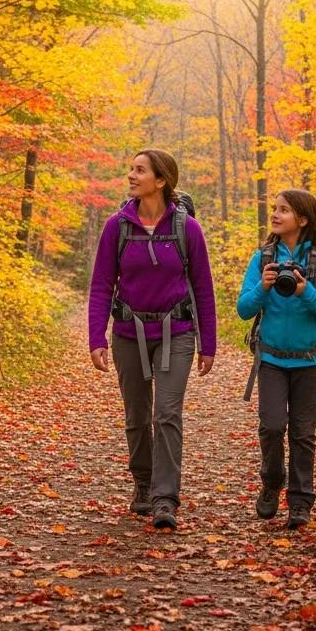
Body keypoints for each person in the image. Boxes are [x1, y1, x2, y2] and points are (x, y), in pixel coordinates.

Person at [88, 149, 216, 531]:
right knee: (137, 417)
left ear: (161, 180)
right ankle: (143, 482)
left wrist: (207, 343)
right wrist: (97, 337)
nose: (131, 175)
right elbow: (100, 285)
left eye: (139, 170)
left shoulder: (186, 228)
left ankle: (165, 498)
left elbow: (203, 288)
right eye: (131, 168)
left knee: (167, 414)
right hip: (129, 332)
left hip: (176, 331)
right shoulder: (117, 226)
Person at [236, 189, 316, 530]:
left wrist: (304, 290)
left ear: (303, 219)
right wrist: (263, 288)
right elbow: (243, 309)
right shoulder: (262, 258)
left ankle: (300, 502)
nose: (276, 214)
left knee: (302, 433)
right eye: (275, 209)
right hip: (270, 359)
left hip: (310, 361)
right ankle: (271, 481)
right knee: (270, 426)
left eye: (284, 210)